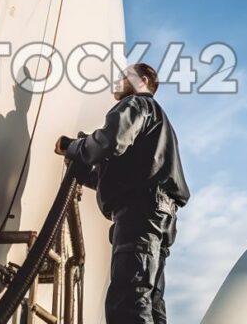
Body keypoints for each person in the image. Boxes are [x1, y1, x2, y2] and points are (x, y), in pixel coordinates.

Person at [54, 63, 190, 324]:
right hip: (159, 216)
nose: (117, 80)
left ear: (144, 80)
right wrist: (84, 173)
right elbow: (129, 175)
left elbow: (110, 140)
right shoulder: (160, 123)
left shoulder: (137, 105)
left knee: (129, 300)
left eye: (124, 75)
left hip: (139, 214)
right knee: (149, 300)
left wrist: (72, 147)